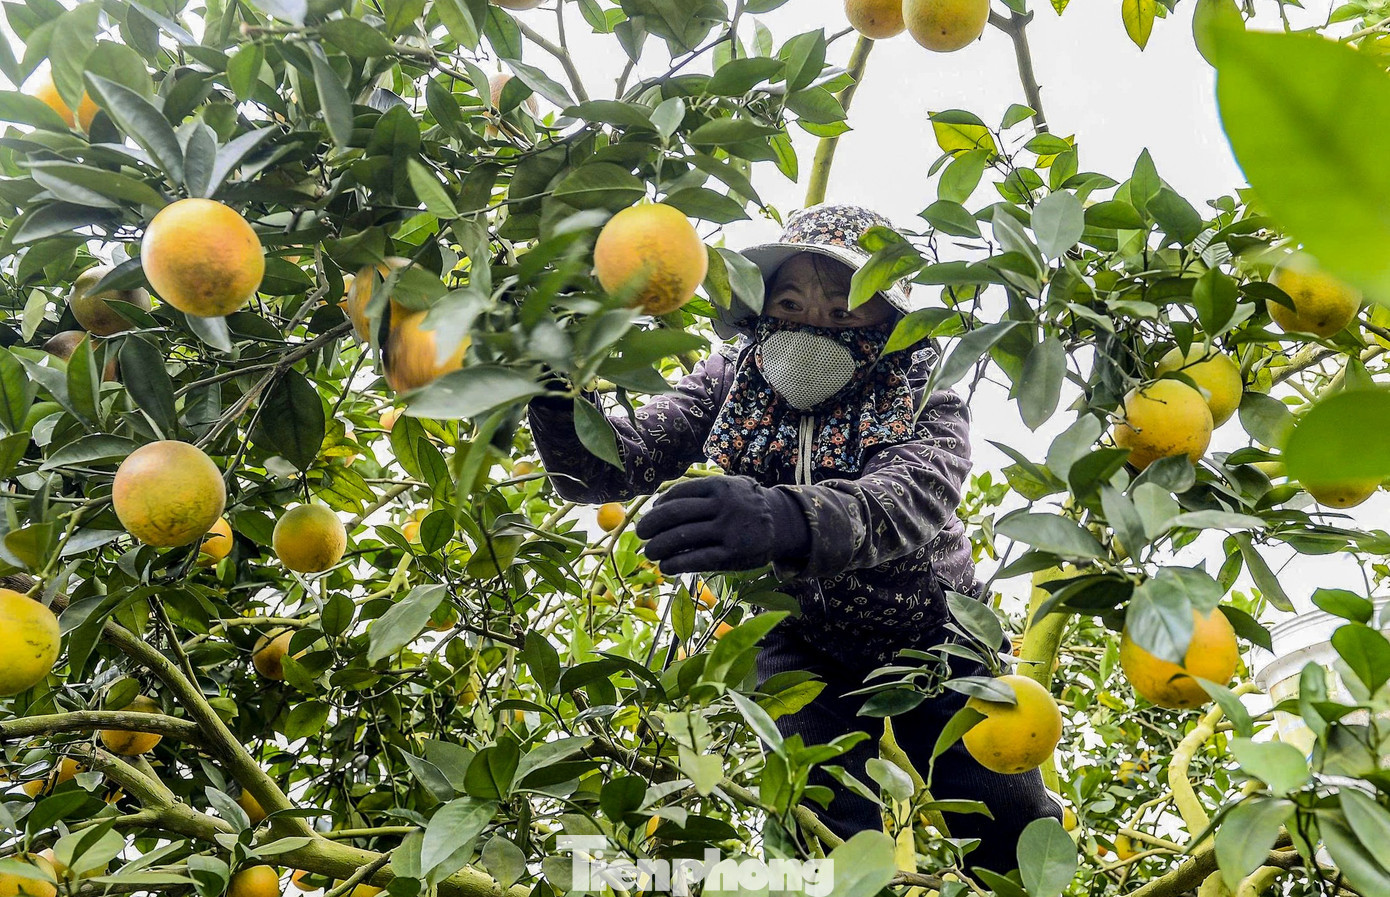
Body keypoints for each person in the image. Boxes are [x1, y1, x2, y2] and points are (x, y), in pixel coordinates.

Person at [526, 204, 1061, 873]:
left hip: (934, 629)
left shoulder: (922, 387)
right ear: (760, 309)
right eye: (790, 301)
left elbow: (912, 495)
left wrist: (785, 517)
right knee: (821, 822)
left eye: (844, 308)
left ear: (888, 320)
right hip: (803, 638)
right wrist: (554, 389)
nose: (813, 320)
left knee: (1001, 814)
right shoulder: (732, 379)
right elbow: (612, 460)